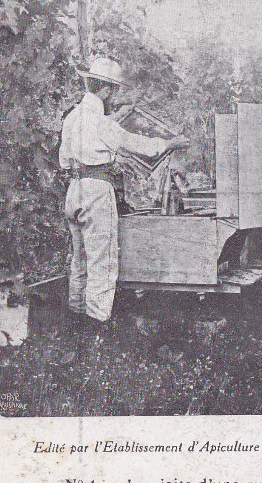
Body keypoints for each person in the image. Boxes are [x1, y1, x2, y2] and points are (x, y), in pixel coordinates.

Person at [59, 56, 188, 328]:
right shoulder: (101, 122)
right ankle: (97, 331)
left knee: (79, 260)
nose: (114, 96)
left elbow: (65, 158)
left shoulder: (72, 118)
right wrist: (171, 143)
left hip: (73, 189)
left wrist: (103, 158)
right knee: (102, 263)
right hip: (95, 191)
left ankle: (75, 324)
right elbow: (139, 144)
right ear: (106, 89)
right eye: (113, 90)